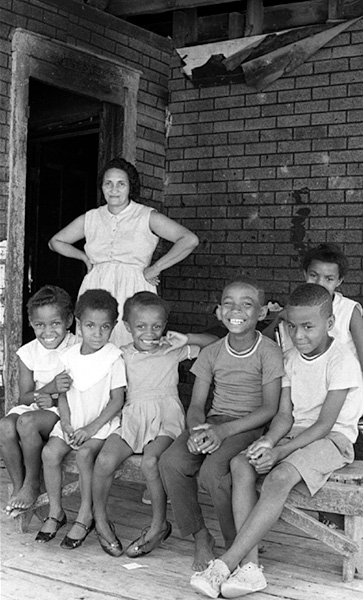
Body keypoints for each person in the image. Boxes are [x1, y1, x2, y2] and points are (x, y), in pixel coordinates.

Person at [190, 283, 363, 599]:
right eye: (292, 326)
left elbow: (325, 424)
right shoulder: (291, 358)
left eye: (308, 327)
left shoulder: (342, 361)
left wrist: (281, 451)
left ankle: (227, 562)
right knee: (241, 463)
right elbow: (284, 415)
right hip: (295, 434)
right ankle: (251, 568)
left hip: (333, 439)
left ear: (329, 324)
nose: (299, 335)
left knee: (279, 477)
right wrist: (269, 442)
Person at [159, 277, 284, 572]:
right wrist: (195, 431)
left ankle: (236, 542)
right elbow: (197, 405)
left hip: (248, 426)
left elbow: (269, 408)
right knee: (170, 462)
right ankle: (201, 537)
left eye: (246, 304)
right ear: (218, 312)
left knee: (214, 472)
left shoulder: (268, 351)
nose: (236, 309)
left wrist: (224, 431)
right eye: (228, 303)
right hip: (213, 423)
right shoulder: (212, 351)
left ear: (262, 313)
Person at [92, 291, 217, 558]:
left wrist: (188, 338)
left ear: (165, 326)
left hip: (165, 418)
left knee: (151, 461)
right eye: (141, 326)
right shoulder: (120, 354)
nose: (149, 333)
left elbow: (214, 344)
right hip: (132, 416)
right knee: (104, 461)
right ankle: (100, 520)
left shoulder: (172, 349)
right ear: (127, 327)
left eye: (157, 326)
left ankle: (158, 526)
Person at [48, 157, 199, 347]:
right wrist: (84, 258)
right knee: (94, 344)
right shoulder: (91, 217)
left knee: (131, 343)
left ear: (130, 187)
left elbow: (189, 240)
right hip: (97, 286)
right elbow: (55, 242)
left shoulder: (146, 216)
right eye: (108, 184)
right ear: (102, 187)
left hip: (133, 287)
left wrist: (155, 268)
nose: (114, 190)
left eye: (121, 184)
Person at [35, 289, 126, 549]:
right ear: (78, 323)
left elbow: (117, 401)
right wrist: (65, 423)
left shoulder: (113, 358)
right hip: (72, 422)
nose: (97, 334)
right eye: (90, 326)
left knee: (85, 454)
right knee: (50, 453)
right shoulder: (69, 356)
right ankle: (56, 512)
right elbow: (63, 394)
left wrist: (91, 428)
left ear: (114, 327)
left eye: (104, 327)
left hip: (100, 426)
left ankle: (86, 515)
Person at [0, 285, 75, 515]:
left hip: (63, 408)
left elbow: (72, 391)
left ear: (69, 321)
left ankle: (32, 482)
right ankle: (19, 485)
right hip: (36, 405)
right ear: (31, 323)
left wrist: (50, 395)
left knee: (27, 422)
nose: (47, 331)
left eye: (55, 323)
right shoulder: (28, 352)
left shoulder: (76, 347)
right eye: (39, 325)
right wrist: (46, 391)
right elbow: (24, 396)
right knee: (4, 425)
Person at [264, 243, 363, 370]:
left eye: (329, 279)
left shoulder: (349, 310)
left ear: (339, 280)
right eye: (313, 275)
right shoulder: (295, 307)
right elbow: (264, 341)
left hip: (342, 382)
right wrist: (279, 317)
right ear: (305, 274)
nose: (319, 283)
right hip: (302, 381)